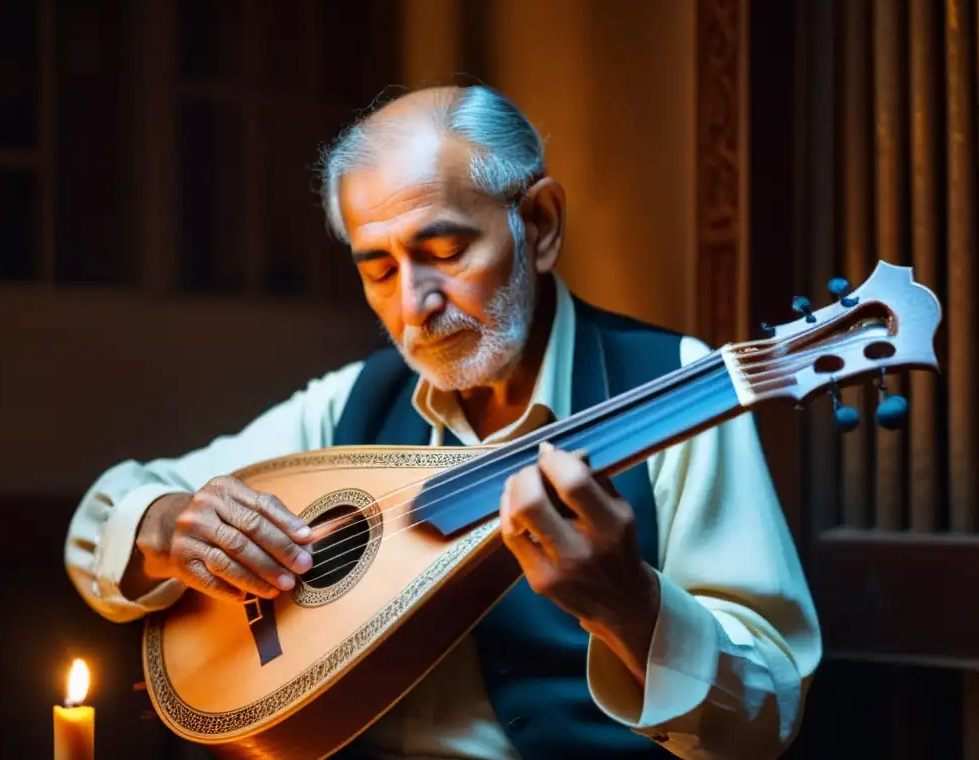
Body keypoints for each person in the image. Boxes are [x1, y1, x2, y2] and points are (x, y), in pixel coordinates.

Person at [64, 85, 821, 760]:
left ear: (541, 224)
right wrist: (165, 526)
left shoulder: (680, 388)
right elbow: (103, 521)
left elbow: (767, 719)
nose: (414, 303)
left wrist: (634, 608)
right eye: (378, 268)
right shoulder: (350, 404)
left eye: (445, 249)